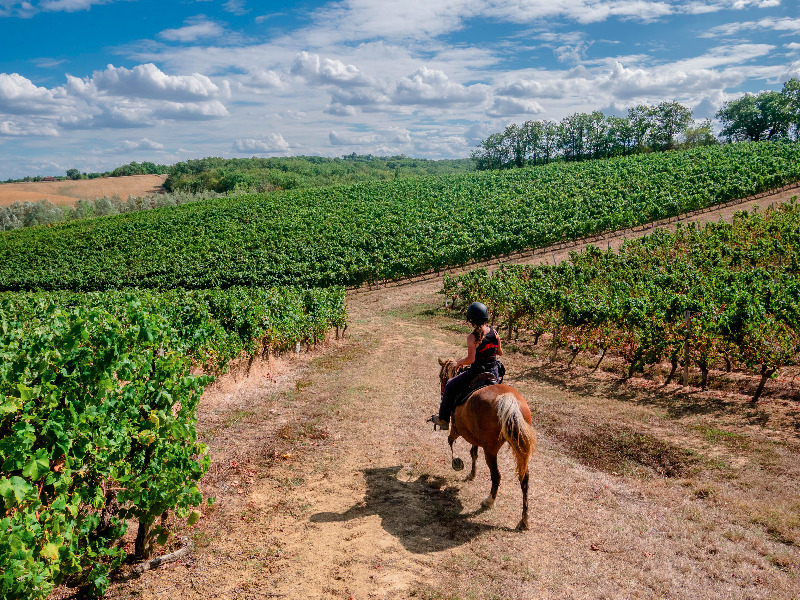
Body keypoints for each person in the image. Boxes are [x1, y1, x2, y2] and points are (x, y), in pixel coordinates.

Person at [432, 301, 502, 430]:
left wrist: (459, 362)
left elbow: (471, 359)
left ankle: (443, 419)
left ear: (471, 320)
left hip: (477, 372)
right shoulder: (495, 333)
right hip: (494, 373)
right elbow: (500, 352)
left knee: (449, 386)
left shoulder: (472, 337)